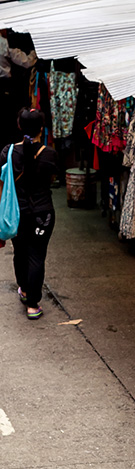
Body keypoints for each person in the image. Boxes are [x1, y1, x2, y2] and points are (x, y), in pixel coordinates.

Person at [0, 108, 57, 319]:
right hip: (43, 214)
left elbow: (1, 183)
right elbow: (49, 180)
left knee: (20, 252)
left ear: (19, 125)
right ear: (41, 129)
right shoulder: (49, 154)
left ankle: (24, 290)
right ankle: (32, 305)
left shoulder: (7, 152)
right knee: (36, 256)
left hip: (16, 214)